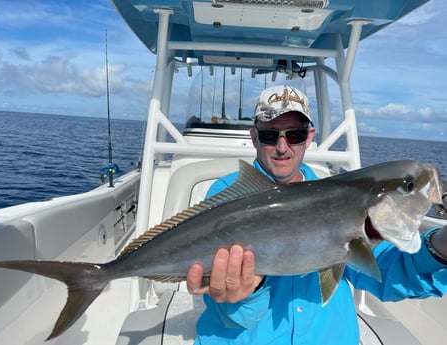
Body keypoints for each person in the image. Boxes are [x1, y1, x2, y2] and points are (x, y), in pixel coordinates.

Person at [186, 85, 447, 344]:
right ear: (254, 137)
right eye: (269, 135)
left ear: (309, 136)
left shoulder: (340, 198)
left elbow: (390, 273)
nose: (282, 146)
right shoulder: (229, 194)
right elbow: (230, 313)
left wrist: (442, 245)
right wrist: (246, 293)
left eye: (295, 135)